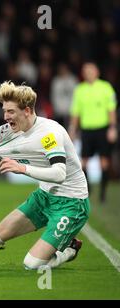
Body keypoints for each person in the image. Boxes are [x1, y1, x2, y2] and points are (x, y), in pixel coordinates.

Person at [0, 81, 89, 270]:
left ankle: (68, 250)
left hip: (71, 204)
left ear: (26, 111)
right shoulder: (12, 129)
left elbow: (60, 173)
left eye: (11, 111)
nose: (5, 117)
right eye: (5, 111)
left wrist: (22, 169)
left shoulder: (49, 134)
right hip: (44, 197)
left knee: (32, 264)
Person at [68, 62, 118, 203]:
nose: (88, 73)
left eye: (91, 70)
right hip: (86, 130)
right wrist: (72, 129)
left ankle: (103, 193)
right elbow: (75, 112)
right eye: (86, 71)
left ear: (97, 72)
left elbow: (111, 109)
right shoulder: (80, 90)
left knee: (104, 163)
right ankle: (88, 188)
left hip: (102, 129)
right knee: (83, 162)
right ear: (83, 74)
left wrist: (112, 128)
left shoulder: (106, 88)